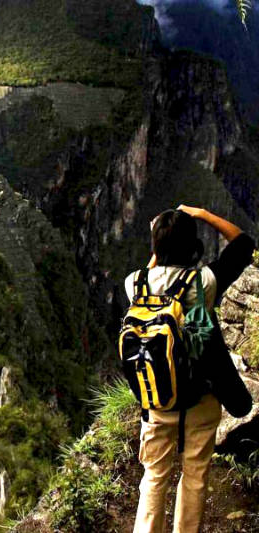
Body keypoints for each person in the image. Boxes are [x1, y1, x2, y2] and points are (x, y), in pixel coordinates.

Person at [125, 205, 255, 533]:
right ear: (192, 246)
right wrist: (202, 214)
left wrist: (158, 246)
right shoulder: (204, 284)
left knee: (153, 478)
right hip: (202, 398)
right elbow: (243, 244)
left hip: (156, 397)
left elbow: (149, 271)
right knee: (195, 475)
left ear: (156, 247)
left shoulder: (134, 284)